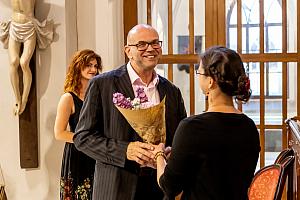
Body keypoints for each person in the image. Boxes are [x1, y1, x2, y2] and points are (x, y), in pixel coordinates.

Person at [73, 24, 187, 200]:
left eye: (155, 43)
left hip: (160, 188)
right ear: (128, 51)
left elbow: (180, 139)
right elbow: (82, 138)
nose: (150, 48)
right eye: (142, 44)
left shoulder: (172, 91)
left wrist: (172, 151)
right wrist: (125, 150)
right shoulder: (102, 85)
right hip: (116, 186)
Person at [153, 46, 261, 200]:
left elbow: (169, 186)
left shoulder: (192, 127)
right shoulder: (249, 127)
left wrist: (159, 155)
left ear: (210, 81)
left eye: (199, 72)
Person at [54, 49, 102, 200]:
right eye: (88, 65)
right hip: (77, 155)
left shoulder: (98, 95)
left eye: (95, 66)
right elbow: (59, 133)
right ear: (77, 66)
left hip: (98, 153)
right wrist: (87, 141)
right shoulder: (68, 98)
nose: (93, 69)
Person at [0, 0, 53, 115]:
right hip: (14, 25)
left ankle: (24, 99)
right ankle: (17, 99)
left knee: (24, 62)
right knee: (14, 61)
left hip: (28, 26)